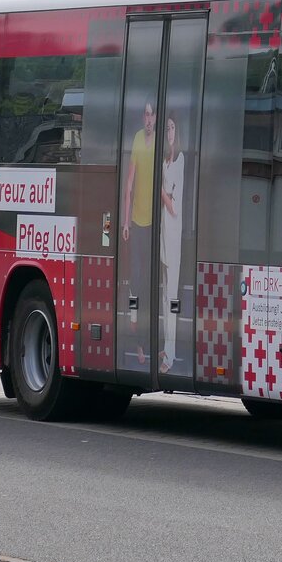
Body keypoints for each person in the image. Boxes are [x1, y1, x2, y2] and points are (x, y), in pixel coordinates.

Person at [122, 99, 156, 367]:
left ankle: (144, 341)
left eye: (150, 114)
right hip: (137, 220)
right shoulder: (136, 138)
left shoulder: (161, 143)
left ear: (155, 117)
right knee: (135, 276)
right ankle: (134, 325)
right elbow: (129, 184)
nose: (147, 119)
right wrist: (125, 222)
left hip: (154, 224)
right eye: (144, 114)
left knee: (147, 281)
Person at [158, 114, 185, 374]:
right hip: (162, 233)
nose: (169, 132)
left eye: (172, 128)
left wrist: (160, 191)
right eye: (166, 128)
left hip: (173, 234)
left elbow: (175, 207)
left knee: (172, 295)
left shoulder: (179, 160)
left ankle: (172, 353)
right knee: (164, 293)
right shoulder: (164, 160)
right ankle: (167, 346)